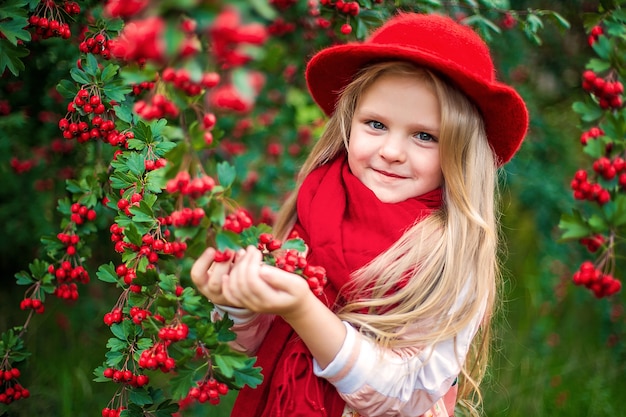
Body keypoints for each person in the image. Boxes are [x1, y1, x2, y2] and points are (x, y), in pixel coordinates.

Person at [191, 12, 528, 417]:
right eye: (376, 124)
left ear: (460, 152)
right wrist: (237, 304)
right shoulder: (315, 205)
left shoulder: (450, 255)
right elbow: (245, 353)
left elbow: (401, 397)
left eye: (424, 136)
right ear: (348, 124)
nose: (391, 151)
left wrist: (303, 309)